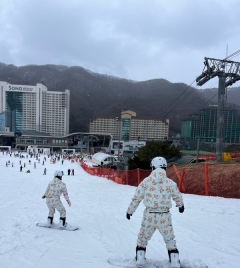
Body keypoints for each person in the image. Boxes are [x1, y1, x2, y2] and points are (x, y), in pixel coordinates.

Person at [126, 157, 184, 268]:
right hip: (164, 215)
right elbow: (177, 195)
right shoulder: (170, 182)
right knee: (169, 238)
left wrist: (130, 211)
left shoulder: (146, 182)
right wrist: (180, 205)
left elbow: (137, 198)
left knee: (143, 237)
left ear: (153, 167)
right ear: (164, 168)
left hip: (150, 215)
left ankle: (140, 258)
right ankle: (174, 260)